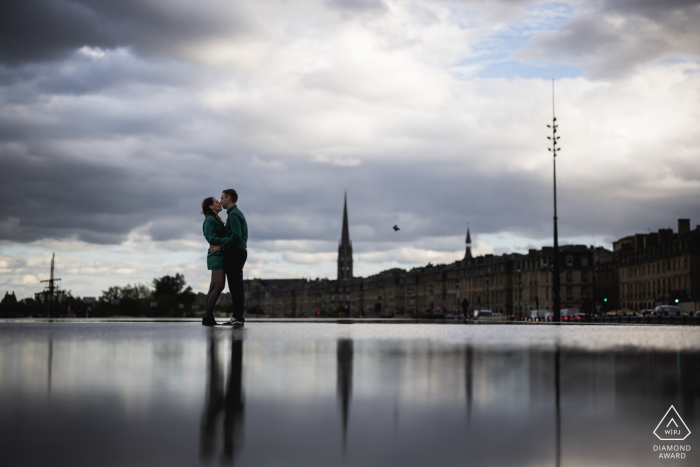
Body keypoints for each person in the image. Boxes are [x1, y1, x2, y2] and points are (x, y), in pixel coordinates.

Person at [209, 189, 248, 327]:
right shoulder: (235, 214)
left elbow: (236, 236)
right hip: (238, 252)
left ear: (228, 198)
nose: (220, 201)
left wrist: (221, 247)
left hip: (236, 252)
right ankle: (238, 317)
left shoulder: (233, 215)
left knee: (235, 287)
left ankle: (237, 317)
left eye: (222, 198)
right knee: (237, 286)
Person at [201, 196, 229, 326]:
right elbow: (211, 238)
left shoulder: (214, 219)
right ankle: (208, 315)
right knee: (219, 286)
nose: (220, 203)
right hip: (216, 255)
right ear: (211, 207)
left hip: (219, 254)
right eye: (217, 202)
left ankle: (209, 316)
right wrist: (227, 241)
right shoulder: (209, 220)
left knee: (213, 287)